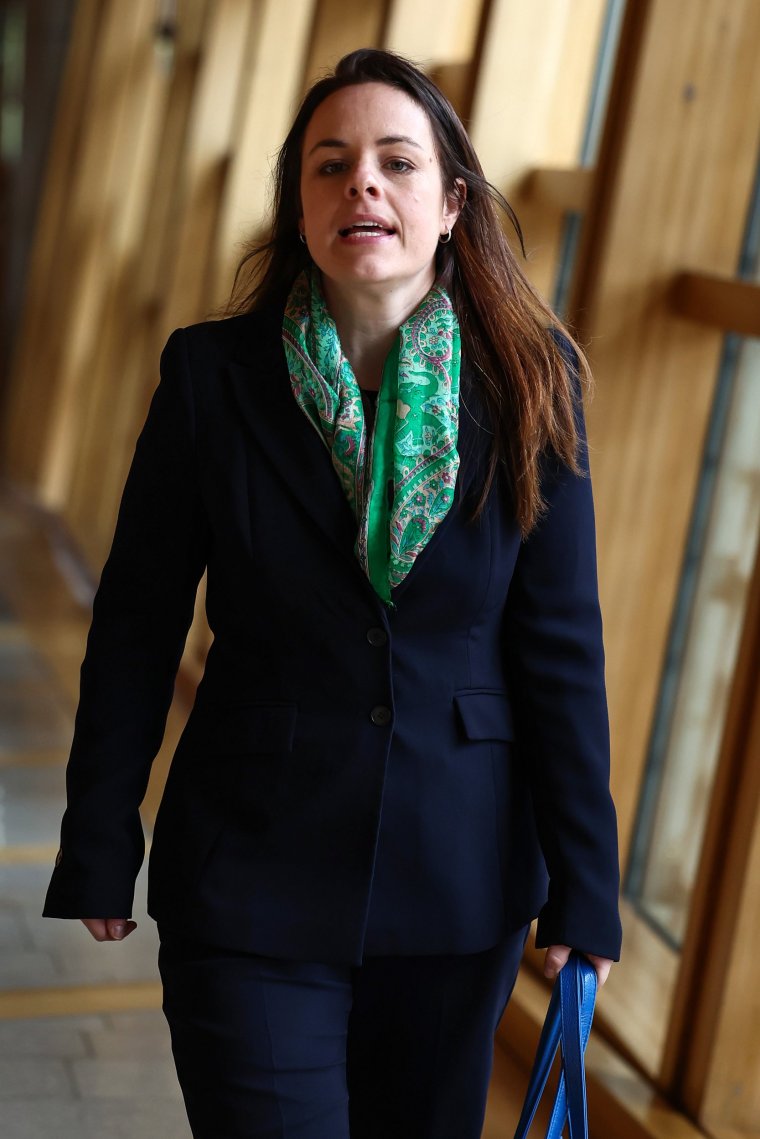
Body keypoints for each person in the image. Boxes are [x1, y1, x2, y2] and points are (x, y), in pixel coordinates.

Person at [44, 48, 622, 1139]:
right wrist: (98, 834)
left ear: (449, 205)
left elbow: (559, 650)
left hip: (461, 876)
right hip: (250, 865)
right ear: (299, 206)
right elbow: (135, 620)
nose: (362, 183)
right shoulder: (211, 378)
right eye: (330, 164)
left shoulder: (534, 380)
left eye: (396, 163)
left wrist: (588, 885)